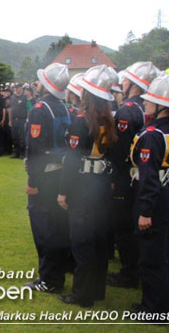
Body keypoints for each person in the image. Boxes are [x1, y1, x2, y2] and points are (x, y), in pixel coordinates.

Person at [57, 65, 117, 307]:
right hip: (101, 185)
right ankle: (97, 290)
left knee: (82, 243)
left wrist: (62, 192)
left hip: (83, 187)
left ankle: (82, 295)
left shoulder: (82, 121)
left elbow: (71, 161)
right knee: (100, 242)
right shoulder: (108, 120)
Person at [130, 73, 169, 315]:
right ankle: (159, 304)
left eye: (150, 99)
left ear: (162, 105)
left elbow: (150, 178)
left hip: (156, 200)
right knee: (163, 255)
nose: (144, 102)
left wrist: (145, 211)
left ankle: (154, 309)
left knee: (152, 258)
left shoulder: (152, 134)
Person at [106, 61, 160, 289]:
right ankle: (133, 269)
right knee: (130, 226)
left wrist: (114, 177)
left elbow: (120, 149)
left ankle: (129, 274)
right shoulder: (143, 107)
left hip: (124, 175)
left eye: (126, 80)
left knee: (123, 228)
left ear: (135, 83)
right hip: (138, 174)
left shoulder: (128, 110)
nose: (123, 83)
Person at [25, 62, 71, 293]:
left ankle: (49, 279)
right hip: (60, 173)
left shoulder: (40, 109)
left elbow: (35, 149)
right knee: (57, 225)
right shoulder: (63, 106)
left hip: (44, 177)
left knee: (44, 230)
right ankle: (57, 272)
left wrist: (33, 181)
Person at [9, 83, 28, 159]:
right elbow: (10, 109)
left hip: (22, 119)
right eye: (15, 88)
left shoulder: (25, 97)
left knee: (22, 137)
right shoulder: (12, 97)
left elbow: (28, 109)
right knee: (15, 136)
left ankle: (22, 153)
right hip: (14, 119)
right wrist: (10, 120)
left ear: (21, 88)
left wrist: (27, 119)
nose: (16, 89)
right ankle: (16, 153)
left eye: (17, 88)